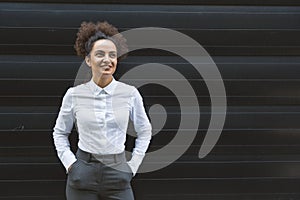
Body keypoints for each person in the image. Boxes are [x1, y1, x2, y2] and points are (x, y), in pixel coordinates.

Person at [53, 21, 152, 200]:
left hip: (118, 173)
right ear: (88, 59)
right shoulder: (74, 95)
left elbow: (144, 131)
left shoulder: (130, 94)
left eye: (112, 55)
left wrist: (132, 166)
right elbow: (60, 132)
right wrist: (71, 165)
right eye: (100, 54)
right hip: (82, 173)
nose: (107, 60)